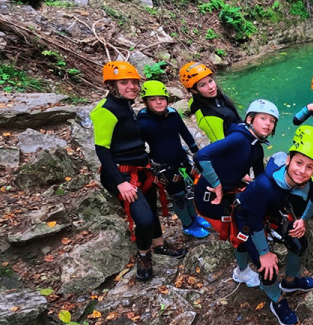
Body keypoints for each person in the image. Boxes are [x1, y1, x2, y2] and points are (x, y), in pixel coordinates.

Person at [91, 61, 187, 281]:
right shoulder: (105, 111)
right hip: (121, 174)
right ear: (112, 85)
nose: (132, 87)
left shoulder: (125, 105)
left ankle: (159, 245)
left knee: (151, 210)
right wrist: (120, 183)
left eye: (134, 82)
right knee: (143, 219)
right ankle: (143, 254)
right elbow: (102, 150)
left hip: (141, 169)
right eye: (124, 82)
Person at [232, 140, 313, 325]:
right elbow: (254, 222)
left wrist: (303, 220)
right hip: (247, 217)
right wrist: (265, 253)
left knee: (299, 245)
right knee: (267, 268)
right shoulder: (265, 185)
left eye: (309, 167)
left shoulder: (305, 183)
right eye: (299, 163)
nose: (302, 171)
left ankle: (290, 281)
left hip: (271, 213)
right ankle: (277, 299)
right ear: (289, 160)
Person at [193, 99, 280, 287]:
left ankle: (242, 271)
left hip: (227, 193)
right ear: (250, 119)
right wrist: (216, 183)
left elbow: (260, 178)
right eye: (263, 118)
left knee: (243, 228)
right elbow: (200, 156)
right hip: (210, 196)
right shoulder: (239, 138)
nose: (268, 124)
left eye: (272, 121)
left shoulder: (256, 146)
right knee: (241, 232)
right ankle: (242, 271)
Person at [138, 80, 210, 238]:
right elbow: (140, 148)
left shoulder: (173, 114)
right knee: (178, 197)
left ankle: (195, 218)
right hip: (165, 169)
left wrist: (196, 154)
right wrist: (151, 167)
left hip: (182, 162)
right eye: (153, 99)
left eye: (161, 98)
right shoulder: (143, 122)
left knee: (189, 190)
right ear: (145, 102)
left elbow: (185, 134)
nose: (158, 102)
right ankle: (188, 225)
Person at [180, 62, 241, 143]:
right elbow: (222, 148)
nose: (211, 87)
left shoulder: (215, 97)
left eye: (210, 81)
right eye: (202, 85)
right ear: (194, 90)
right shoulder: (208, 117)